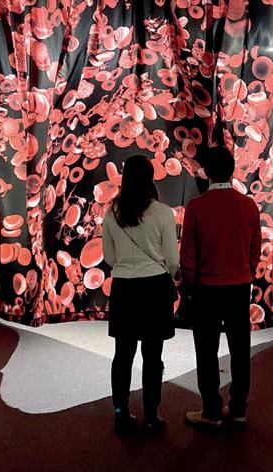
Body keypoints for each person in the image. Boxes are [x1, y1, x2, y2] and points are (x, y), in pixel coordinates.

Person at [180, 146, 262, 430]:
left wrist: (190, 286)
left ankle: (211, 411)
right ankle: (238, 408)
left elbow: (187, 256)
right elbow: (255, 248)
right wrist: (247, 273)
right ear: (231, 170)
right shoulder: (248, 205)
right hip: (239, 286)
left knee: (206, 350)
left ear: (206, 172)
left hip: (206, 288)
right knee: (240, 349)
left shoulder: (196, 206)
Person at [102, 155, 179, 436]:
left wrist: (126, 267)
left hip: (124, 288)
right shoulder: (163, 212)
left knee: (122, 354)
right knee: (152, 355)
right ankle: (151, 415)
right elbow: (172, 259)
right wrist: (164, 274)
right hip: (154, 287)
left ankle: (120, 413)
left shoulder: (112, 211)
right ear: (150, 177)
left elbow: (109, 257)